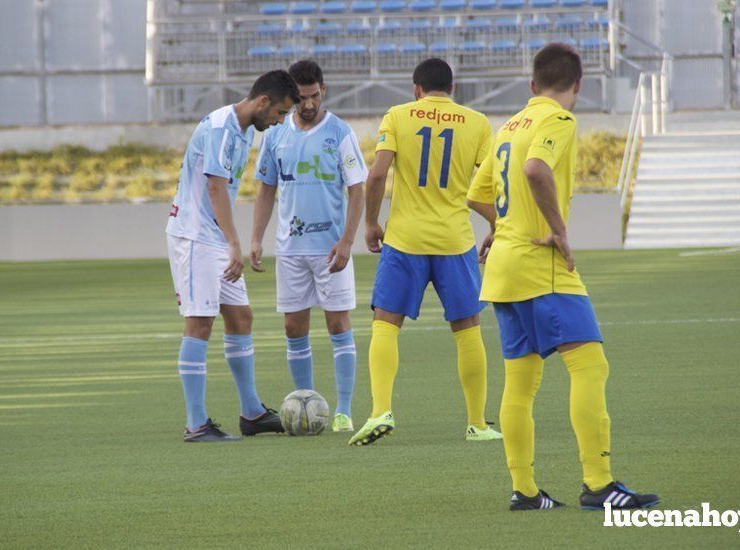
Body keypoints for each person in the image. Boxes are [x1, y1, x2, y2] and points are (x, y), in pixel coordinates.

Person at [466, 43, 660, 510]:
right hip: (540, 263)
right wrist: (558, 229)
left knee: (520, 382)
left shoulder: (508, 126)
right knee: (590, 365)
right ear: (578, 85)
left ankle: (525, 492)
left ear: (532, 85)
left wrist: (499, 227)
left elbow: (476, 195)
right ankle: (599, 485)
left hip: (503, 270)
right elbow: (536, 169)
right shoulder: (559, 120)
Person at [349, 58, 503, 446]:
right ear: (452, 88)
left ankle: (380, 410)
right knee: (468, 329)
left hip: (405, 240)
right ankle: (477, 424)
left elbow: (378, 174)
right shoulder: (477, 123)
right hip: (455, 241)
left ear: (417, 89)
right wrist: (495, 228)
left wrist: (371, 223)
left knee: (386, 323)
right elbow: (487, 187)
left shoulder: (398, 116)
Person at [166, 70, 300, 442]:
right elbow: (214, 186)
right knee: (200, 324)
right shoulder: (221, 128)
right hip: (195, 237)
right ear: (263, 102)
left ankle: (252, 413)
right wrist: (235, 243)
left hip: (212, 238)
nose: (278, 122)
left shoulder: (239, 130)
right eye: (279, 113)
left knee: (240, 317)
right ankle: (196, 424)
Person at [250, 60, 367, 432]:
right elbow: (266, 186)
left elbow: (357, 187)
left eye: (315, 96)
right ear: (292, 97)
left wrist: (348, 240)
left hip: (331, 248)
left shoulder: (339, 132)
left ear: (324, 90)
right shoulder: (275, 134)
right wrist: (256, 237)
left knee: (338, 324)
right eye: (301, 98)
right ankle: (306, 405)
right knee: (293, 328)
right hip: (291, 249)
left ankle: (344, 410)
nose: (309, 104)